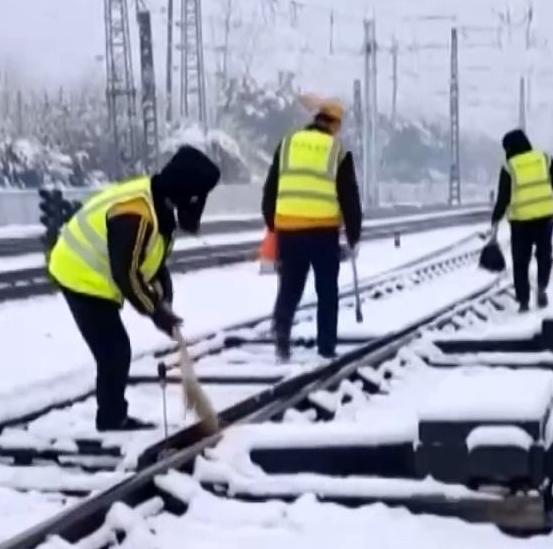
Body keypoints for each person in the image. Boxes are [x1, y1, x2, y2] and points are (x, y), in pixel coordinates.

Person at [46, 145, 221, 432]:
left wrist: (164, 297)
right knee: (114, 351)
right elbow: (127, 275)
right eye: (198, 195)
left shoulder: (159, 204)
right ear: (186, 190)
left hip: (96, 272)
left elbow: (150, 259)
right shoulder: (135, 214)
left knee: (115, 349)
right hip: (78, 272)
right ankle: (111, 421)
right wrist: (156, 312)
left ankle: (112, 416)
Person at [263, 98, 363, 361]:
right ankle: (326, 347)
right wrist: (354, 234)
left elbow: (271, 187)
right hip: (323, 231)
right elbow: (349, 195)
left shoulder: (287, 144)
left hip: (289, 230)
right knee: (327, 291)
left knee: (290, 288)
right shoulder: (336, 149)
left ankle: (282, 338)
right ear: (335, 124)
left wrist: (273, 223)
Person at [490, 128, 553, 312]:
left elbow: (503, 198)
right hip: (544, 218)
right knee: (544, 256)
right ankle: (542, 287)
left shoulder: (509, 166)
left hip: (520, 222)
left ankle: (523, 301)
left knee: (520, 262)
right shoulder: (544, 159)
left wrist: (495, 218)